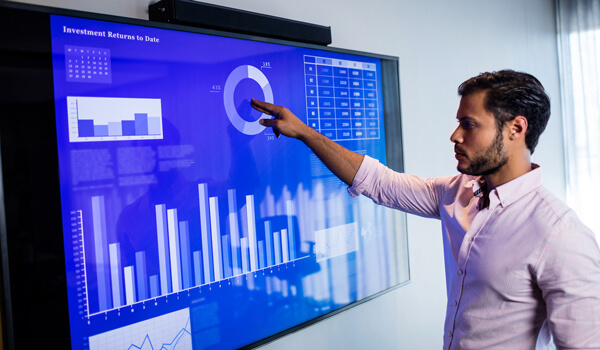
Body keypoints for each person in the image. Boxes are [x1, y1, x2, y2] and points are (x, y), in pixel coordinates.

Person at [250, 70, 600, 349]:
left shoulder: (560, 235)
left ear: (516, 129)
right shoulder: (457, 193)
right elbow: (378, 182)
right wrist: (304, 132)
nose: (454, 136)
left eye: (469, 124)